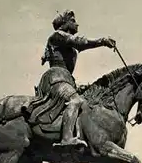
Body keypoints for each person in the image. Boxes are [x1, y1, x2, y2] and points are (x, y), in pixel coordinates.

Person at [24, 10, 116, 147]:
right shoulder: (58, 35)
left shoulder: (65, 41)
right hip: (56, 78)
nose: (76, 24)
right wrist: (102, 41)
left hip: (66, 79)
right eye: (73, 21)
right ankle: (66, 138)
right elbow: (79, 42)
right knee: (76, 100)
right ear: (64, 23)